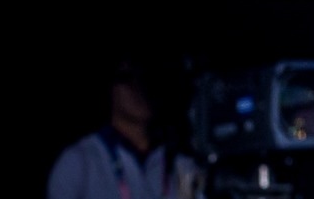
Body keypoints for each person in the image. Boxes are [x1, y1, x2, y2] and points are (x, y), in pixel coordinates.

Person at [47, 59, 205, 199]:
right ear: (110, 87)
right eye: (127, 78)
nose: (138, 88)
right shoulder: (79, 161)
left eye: (144, 77)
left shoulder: (180, 162)